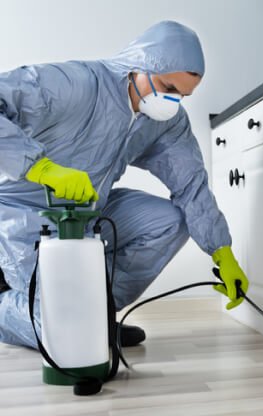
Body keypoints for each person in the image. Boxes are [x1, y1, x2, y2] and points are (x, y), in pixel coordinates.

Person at [0, 20, 249, 349]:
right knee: (65, 338)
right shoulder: (75, 85)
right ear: (139, 65)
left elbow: (191, 184)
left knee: (171, 221)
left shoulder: (165, 122)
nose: (173, 101)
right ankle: (8, 307)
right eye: (168, 87)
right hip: (23, 214)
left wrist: (222, 252)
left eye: (182, 95)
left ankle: (96, 317)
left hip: (90, 210)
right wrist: (41, 168)